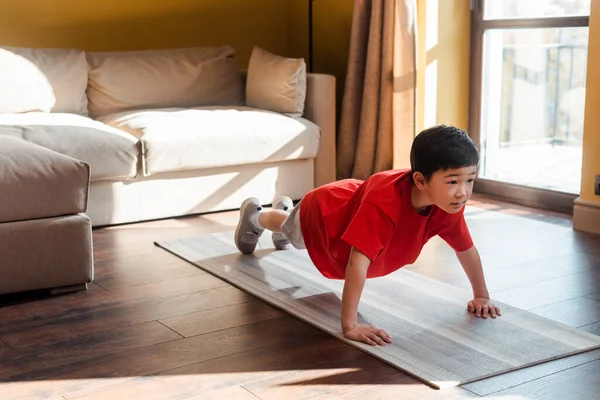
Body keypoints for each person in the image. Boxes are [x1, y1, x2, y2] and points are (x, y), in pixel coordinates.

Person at [234, 125, 501, 347]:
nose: (463, 192)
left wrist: (482, 296)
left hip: (351, 202)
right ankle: (256, 216)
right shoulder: (384, 206)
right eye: (453, 181)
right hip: (324, 216)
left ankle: (284, 212)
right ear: (420, 181)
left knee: (290, 230)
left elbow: (466, 249)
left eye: (470, 180)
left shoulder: (447, 204)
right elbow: (357, 263)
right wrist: (350, 326)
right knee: (292, 231)